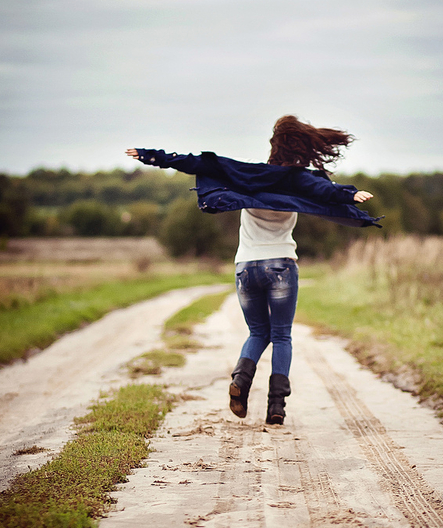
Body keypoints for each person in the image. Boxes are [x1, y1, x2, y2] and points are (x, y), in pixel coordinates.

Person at [126, 114, 378, 425]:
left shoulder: (247, 174)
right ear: (300, 146)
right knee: (281, 335)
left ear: (274, 146)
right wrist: (349, 194)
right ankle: (276, 407)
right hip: (281, 266)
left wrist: (153, 156)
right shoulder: (297, 180)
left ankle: (240, 381)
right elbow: (324, 190)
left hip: (246, 267)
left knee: (258, 332)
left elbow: (201, 163)